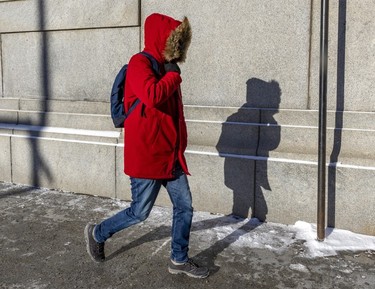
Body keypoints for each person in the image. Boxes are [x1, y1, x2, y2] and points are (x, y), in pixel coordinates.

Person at [84, 13, 209, 279]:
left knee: (185, 206)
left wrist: (180, 144)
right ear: (161, 39)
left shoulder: (166, 68)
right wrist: (173, 77)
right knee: (139, 212)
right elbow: (151, 96)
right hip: (147, 155)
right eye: (173, 42)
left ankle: (179, 258)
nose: (177, 50)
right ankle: (97, 232)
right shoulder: (139, 63)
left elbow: (173, 114)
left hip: (170, 155)